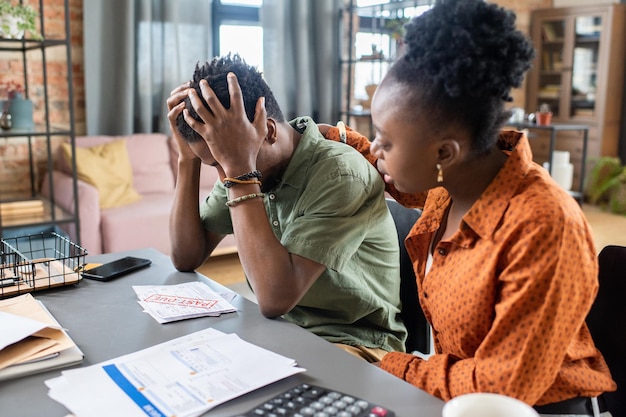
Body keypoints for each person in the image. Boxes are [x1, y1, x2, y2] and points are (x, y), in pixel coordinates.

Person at [321, 0, 616, 415]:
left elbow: (501, 387)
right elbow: (403, 182)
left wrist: (383, 362)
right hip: (455, 392)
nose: (377, 149)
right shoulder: (458, 180)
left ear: (444, 152)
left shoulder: (545, 225)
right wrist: (337, 138)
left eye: (386, 141)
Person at [166, 54, 407, 362]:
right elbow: (186, 256)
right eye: (214, 164)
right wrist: (187, 159)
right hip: (280, 333)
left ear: (268, 131)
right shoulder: (238, 164)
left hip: (355, 344)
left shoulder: (341, 174)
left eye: (221, 163)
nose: (222, 176)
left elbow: (274, 298)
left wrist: (239, 169)